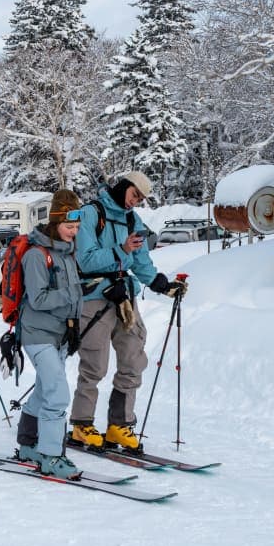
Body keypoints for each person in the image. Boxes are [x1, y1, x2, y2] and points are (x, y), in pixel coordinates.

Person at [69, 172, 187, 452]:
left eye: (141, 199)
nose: (136, 201)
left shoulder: (133, 220)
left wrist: (161, 284)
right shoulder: (90, 214)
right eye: (134, 194)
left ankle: (119, 425)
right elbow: (85, 261)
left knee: (133, 359)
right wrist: (121, 249)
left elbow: (141, 260)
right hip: (95, 296)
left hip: (125, 297)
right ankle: (81, 425)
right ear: (123, 187)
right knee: (95, 365)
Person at [13, 190, 86, 477]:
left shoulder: (67, 254)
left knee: (45, 390)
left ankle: (28, 444)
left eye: (76, 227)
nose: (73, 232)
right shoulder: (36, 255)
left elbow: (71, 298)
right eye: (69, 227)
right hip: (36, 333)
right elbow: (39, 299)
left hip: (59, 333)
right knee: (57, 395)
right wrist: (75, 292)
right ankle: (51, 455)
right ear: (55, 223)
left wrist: (74, 326)